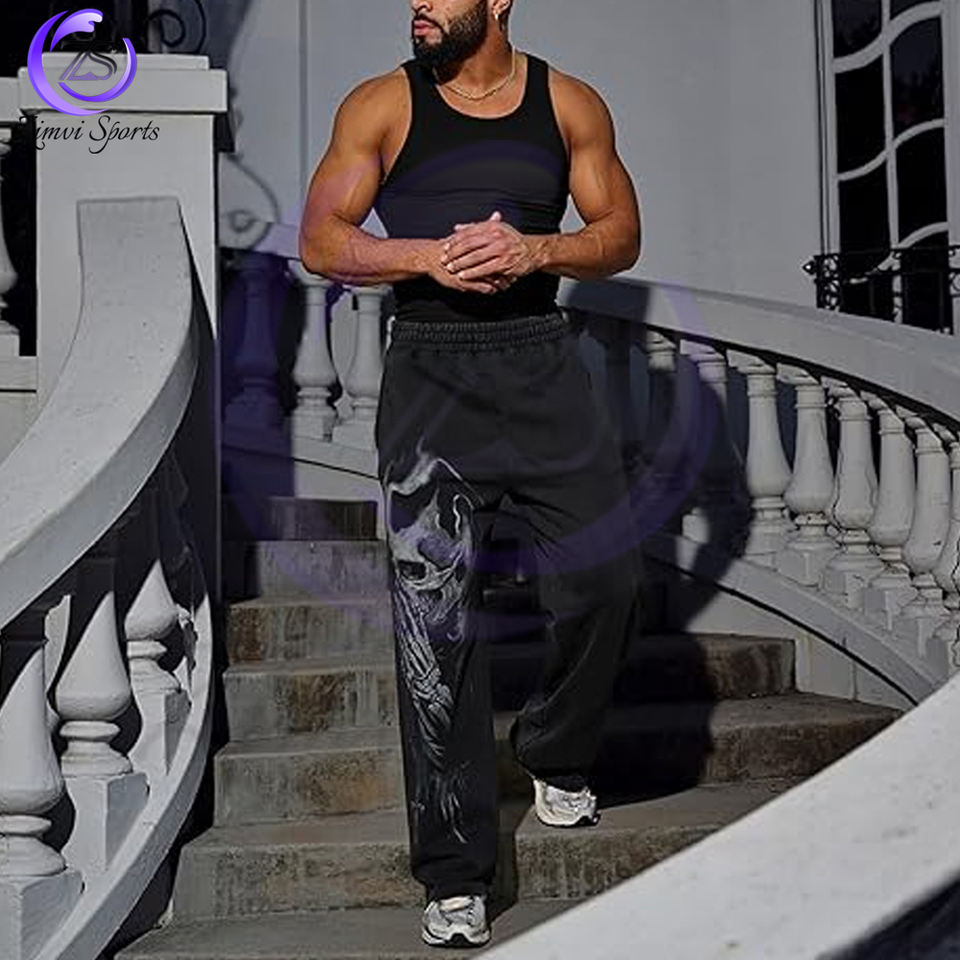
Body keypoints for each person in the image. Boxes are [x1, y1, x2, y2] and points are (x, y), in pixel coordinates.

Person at [299, 0, 643, 948]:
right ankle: (454, 875)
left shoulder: (568, 102)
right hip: (431, 376)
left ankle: (553, 748)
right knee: (436, 628)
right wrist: (430, 258)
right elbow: (321, 238)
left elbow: (619, 232)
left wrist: (538, 248)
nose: (419, 4)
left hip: (543, 364)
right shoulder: (380, 104)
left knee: (607, 582)